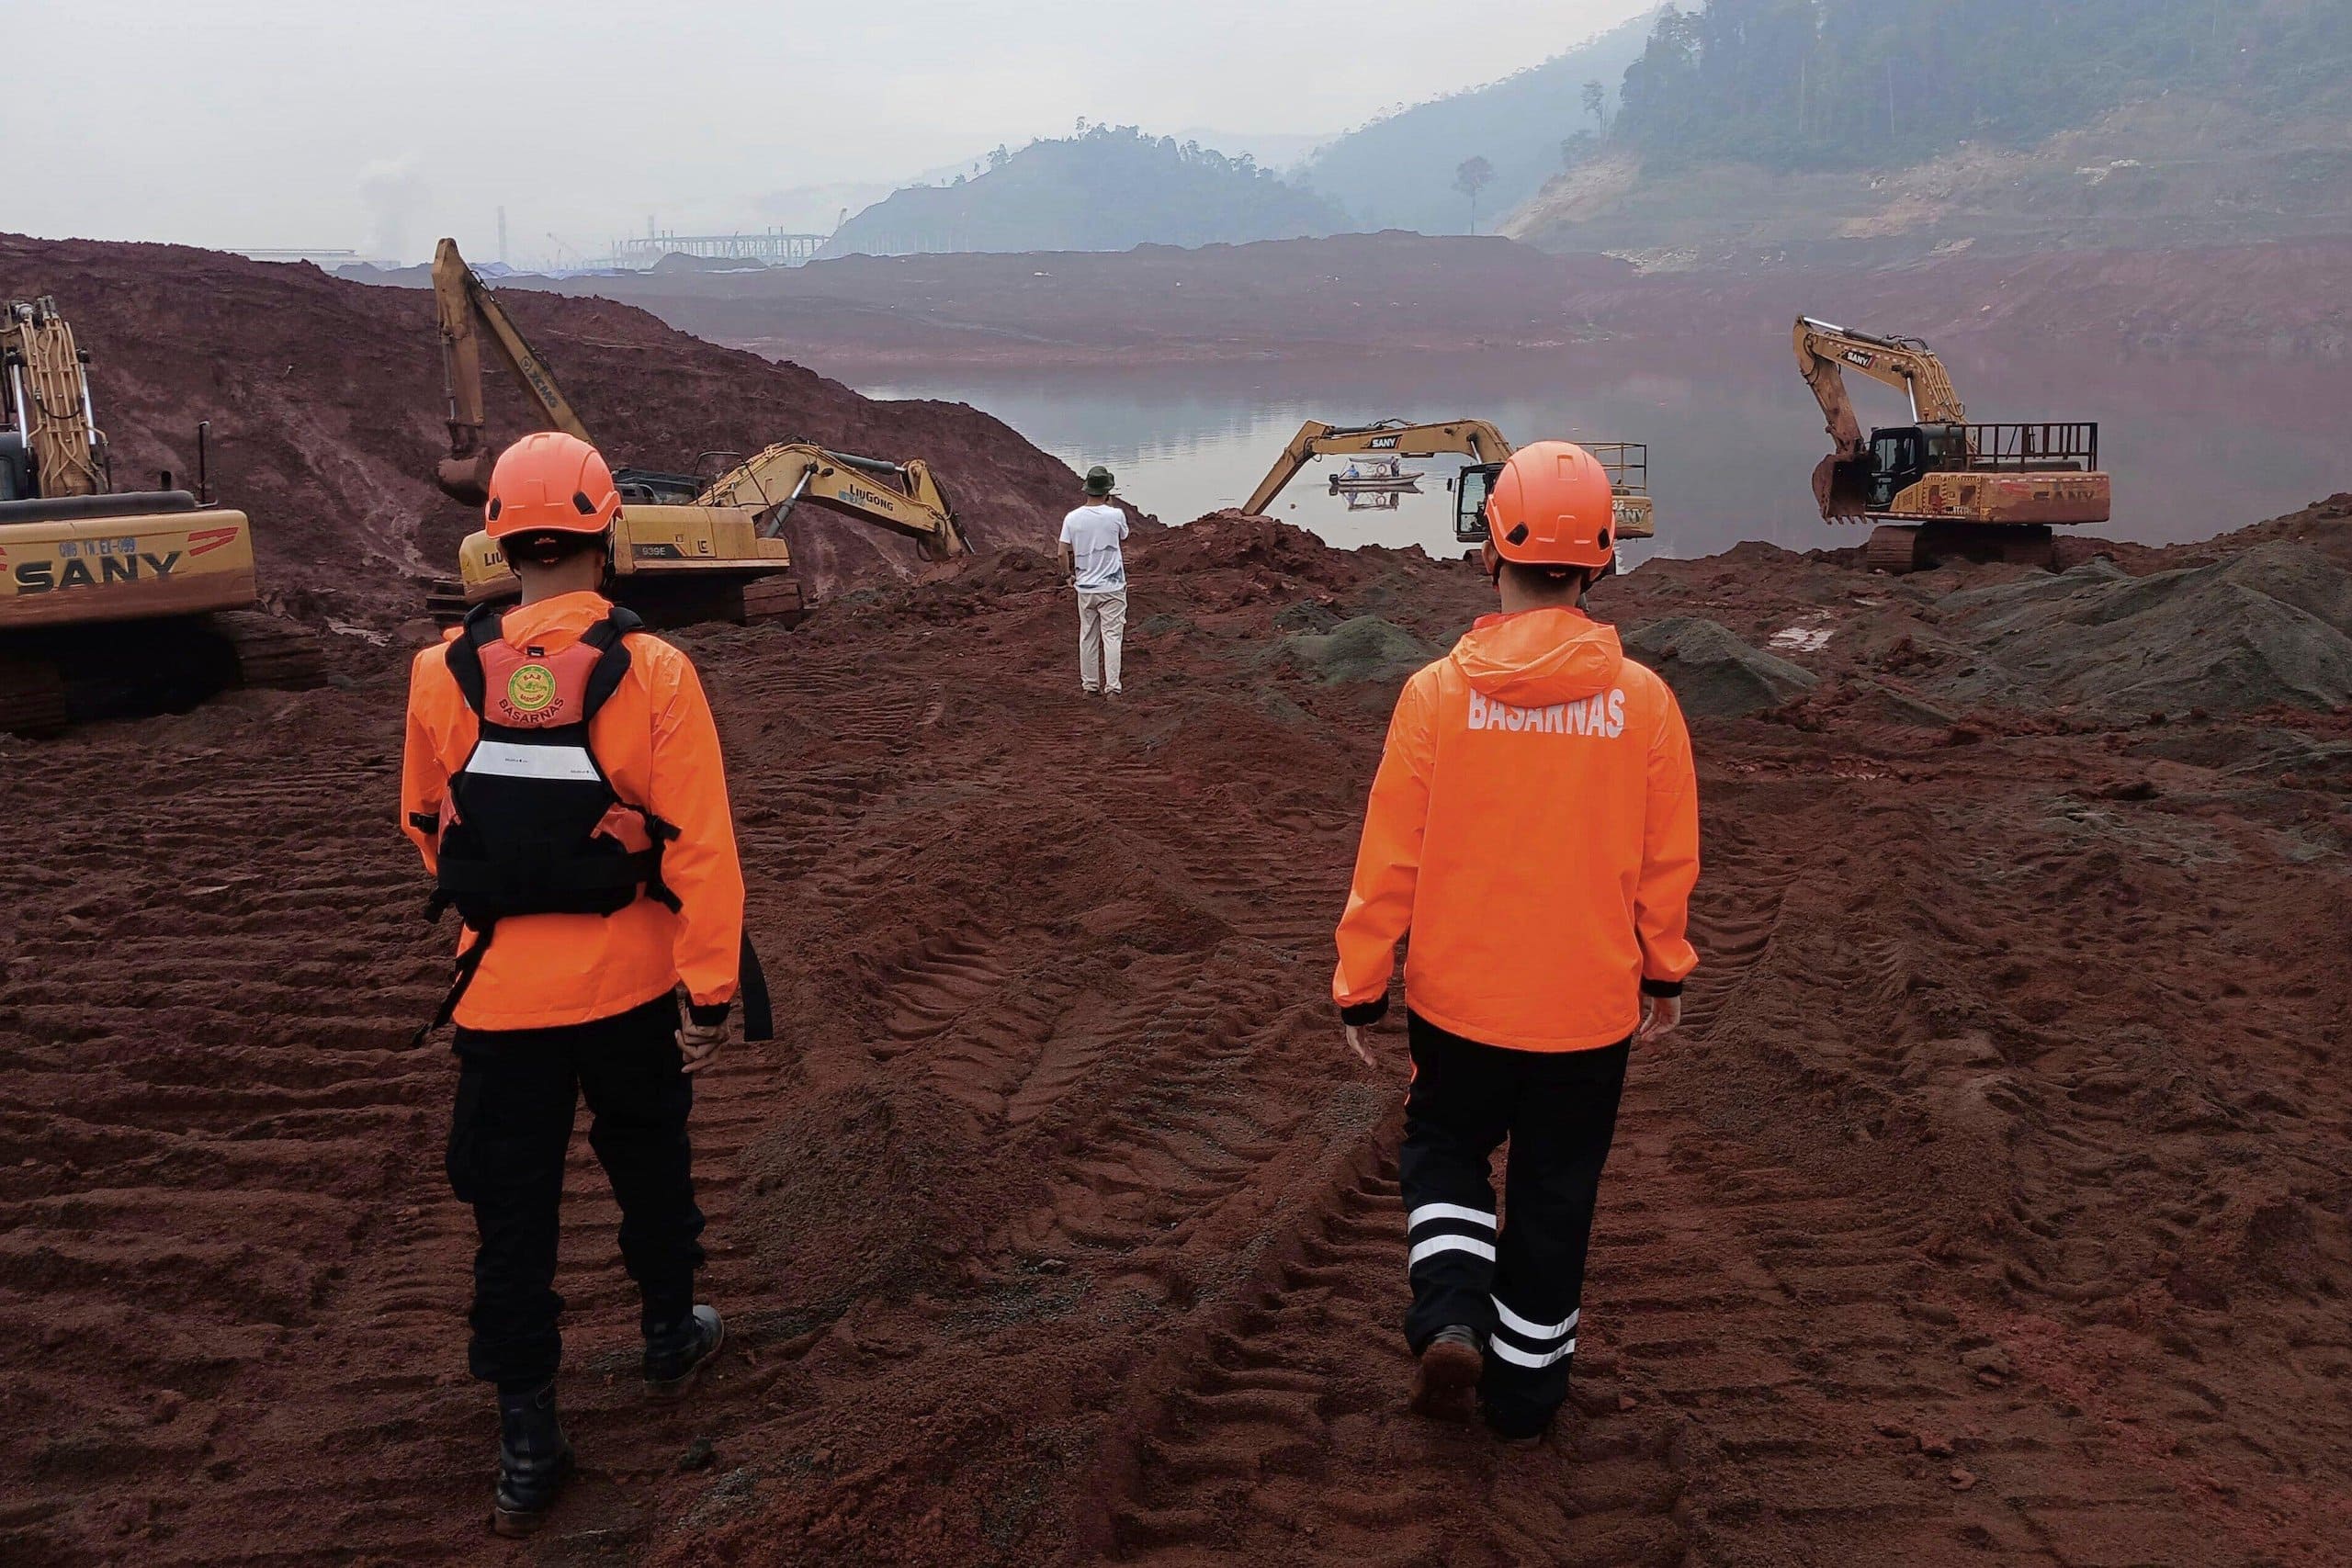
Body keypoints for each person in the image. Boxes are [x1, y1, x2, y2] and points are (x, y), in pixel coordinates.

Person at [401, 431, 767, 1536]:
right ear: (608, 530)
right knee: (649, 1161)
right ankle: (667, 1333)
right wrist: (707, 990)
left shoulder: (439, 671)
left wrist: (507, 906)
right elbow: (701, 843)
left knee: (510, 1212)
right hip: (629, 984)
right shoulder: (654, 670)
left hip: (500, 995)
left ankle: (526, 1443)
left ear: (498, 539)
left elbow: (426, 827)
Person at [1330, 440, 1700, 1444]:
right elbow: (1667, 865)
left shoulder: (1434, 697)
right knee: (1554, 1190)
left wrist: (1362, 985)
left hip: (1461, 1006)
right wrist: (1663, 976)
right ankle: (1527, 1394)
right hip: (1587, 1017)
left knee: (1444, 1147)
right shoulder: (1647, 704)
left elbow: (1389, 858)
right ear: (1602, 560)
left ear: (1489, 544)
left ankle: (1451, 1308)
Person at [1057, 465, 1130, 696]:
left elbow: (1061, 552)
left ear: (1086, 489)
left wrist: (1067, 575)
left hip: (1085, 588)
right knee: (1112, 637)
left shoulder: (1072, 518)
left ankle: (1090, 687)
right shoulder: (1116, 515)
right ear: (1108, 491)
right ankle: (1113, 688)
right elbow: (1123, 536)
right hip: (1113, 588)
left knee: (1087, 636)